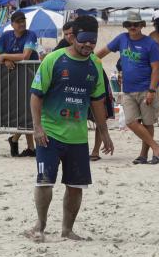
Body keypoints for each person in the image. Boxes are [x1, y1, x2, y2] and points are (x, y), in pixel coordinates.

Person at [27, 15, 113, 243]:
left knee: (76, 186)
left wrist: (104, 133)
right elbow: (36, 95)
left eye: (93, 40)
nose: (88, 45)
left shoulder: (95, 64)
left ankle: (67, 230)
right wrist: (37, 128)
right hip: (50, 134)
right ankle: (40, 226)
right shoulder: (54, 59)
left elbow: (97, 101)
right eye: (84, 39)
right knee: (45, 181)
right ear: (73, 37)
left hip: (77, 137)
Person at [96, 11, 159, 165]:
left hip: (146, 89)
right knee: (130, 121)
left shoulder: (150, 43)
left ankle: (143, 155)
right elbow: (102, 52)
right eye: (129, 24)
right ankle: (156, 147)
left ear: (141, 26)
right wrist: (85, 61)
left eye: (135, 24)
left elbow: (156, 69)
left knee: (147, 123)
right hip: (128, 90)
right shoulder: (122, 38)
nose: (132, 27)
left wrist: (152, 90)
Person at [0, 11, 39, 157]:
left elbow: (25, 56)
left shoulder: (31, 34)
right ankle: (30, 147)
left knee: (30, 110)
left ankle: (15, 139)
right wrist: (5, 60)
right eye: (18, 21)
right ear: (12, 24)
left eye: (23, 20)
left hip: (31, 75)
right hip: (14, 78)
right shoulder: (6, 36)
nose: (22, 23)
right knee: (23, 110)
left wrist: (5, 56)